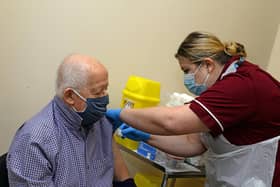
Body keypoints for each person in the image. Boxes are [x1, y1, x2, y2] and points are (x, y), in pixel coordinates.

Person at [106, 31, 280, 187]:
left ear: (208, 64)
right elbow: (194, 143)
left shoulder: (240, 85)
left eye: (187, 70)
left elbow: (171, 121)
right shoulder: (224, 85)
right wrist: (147, 137)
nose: (186, 78)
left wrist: (123, 113)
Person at [7, 54, 136, 187]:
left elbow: (120, 174)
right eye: (98, 92)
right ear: (70, 96)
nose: (105, 98)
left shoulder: (100, 121)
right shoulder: (35, 141)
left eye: (105, 89)